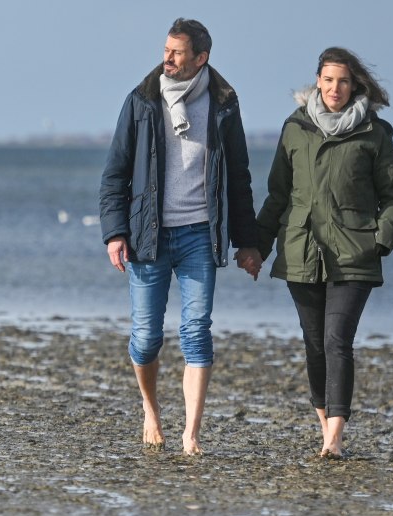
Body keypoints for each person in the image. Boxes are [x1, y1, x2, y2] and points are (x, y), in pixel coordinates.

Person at [100, 17, 262, 455]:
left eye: (176, 52)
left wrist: (247, 242)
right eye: (166, 50)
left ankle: (192, 433)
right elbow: (115, 172)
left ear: (200, 58)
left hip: (199, 236)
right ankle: (151, 411)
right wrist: (115, 233)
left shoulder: (224, 103)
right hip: (148, 235)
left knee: (196, 332)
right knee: (146, 337)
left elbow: (239, 176)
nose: (166, 58)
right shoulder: (142, 100)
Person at [255, 47, 393, 459]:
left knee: (337, 339)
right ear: (317, 82)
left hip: (354, 253)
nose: (334, 89)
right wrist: (256, 245)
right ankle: (325, 426)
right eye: (328, 80)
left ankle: (335, 438)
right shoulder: (295, 128)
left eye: (343, 81)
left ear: (354, 84)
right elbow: (277, 194)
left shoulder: (376, 133)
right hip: (301, 251)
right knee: (314, 343)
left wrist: (380, 240)